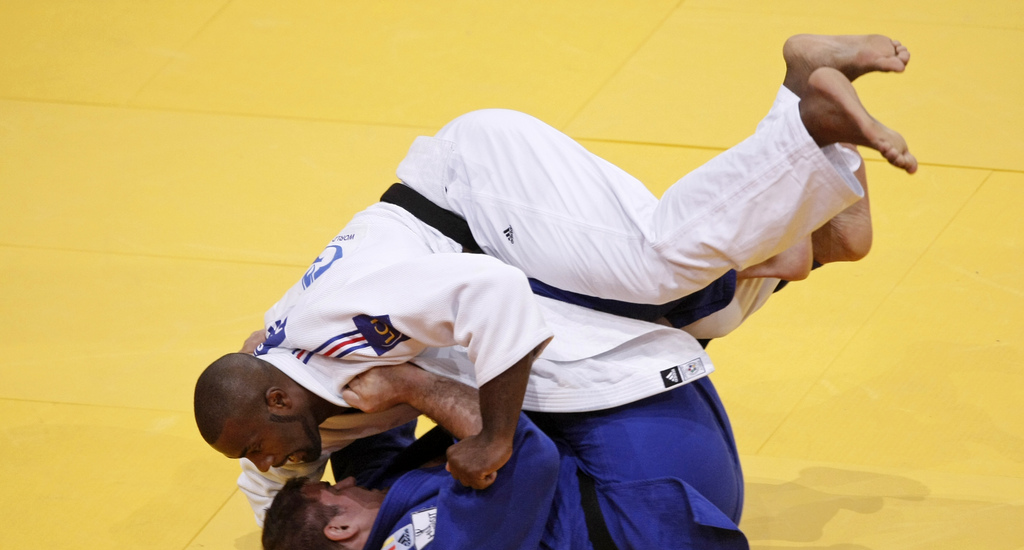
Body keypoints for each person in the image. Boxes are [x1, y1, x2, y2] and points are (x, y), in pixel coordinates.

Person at [195, 34, 913, 519]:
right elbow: (271, 506)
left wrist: (495, 437)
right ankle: (820, 227)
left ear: (280, 394)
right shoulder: (295, 402)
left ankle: (806, 118)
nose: (264, 461)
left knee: (655, 265)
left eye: (256, 442)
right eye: (249, 453)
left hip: (479, 191)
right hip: (489, 248)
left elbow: (494, 295)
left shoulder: (337, 330)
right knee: (660, 329)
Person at [261, 363, 794, 550]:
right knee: (528, 328)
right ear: (338, 529)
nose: (347, 482)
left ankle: (783, 258)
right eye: (334, 491)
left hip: (641, 490)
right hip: (654, 495)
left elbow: (369, 441)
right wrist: (414, 384)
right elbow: (528, 453)